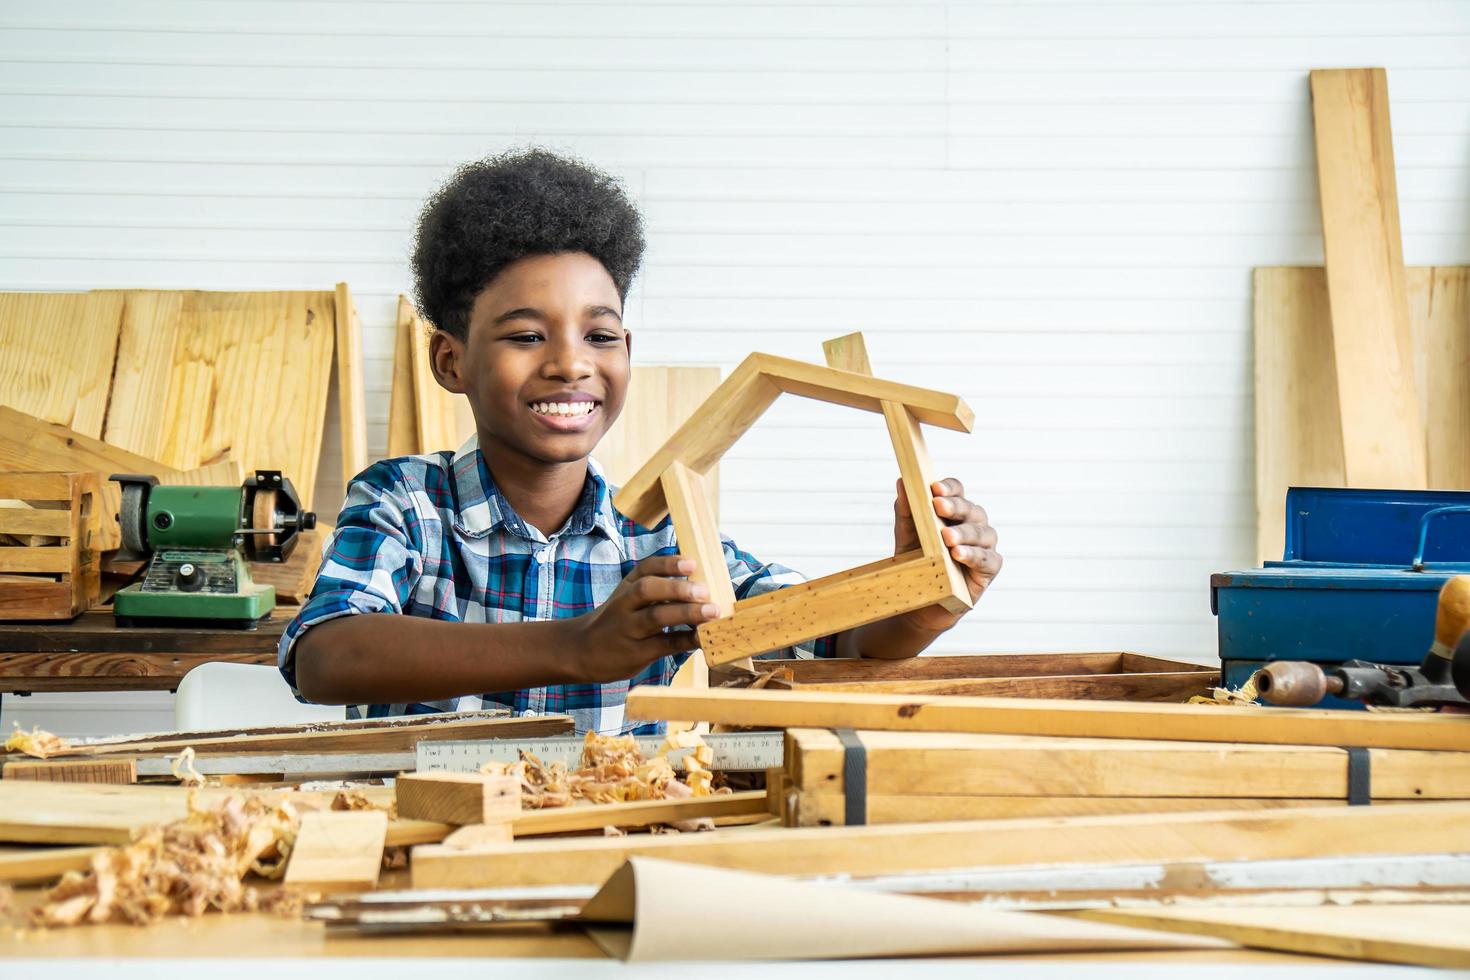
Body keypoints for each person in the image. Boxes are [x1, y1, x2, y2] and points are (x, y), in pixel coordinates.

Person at [278, 148, 1002, 734]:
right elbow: (326, 653)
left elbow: (831, 641)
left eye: (600, 335)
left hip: (600, 856)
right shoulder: (405, 502)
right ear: (451, 361)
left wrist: (926, 596)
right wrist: (577, 647)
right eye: (528, 336)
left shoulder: (657, 543)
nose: (571, 362)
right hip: (420, 857)